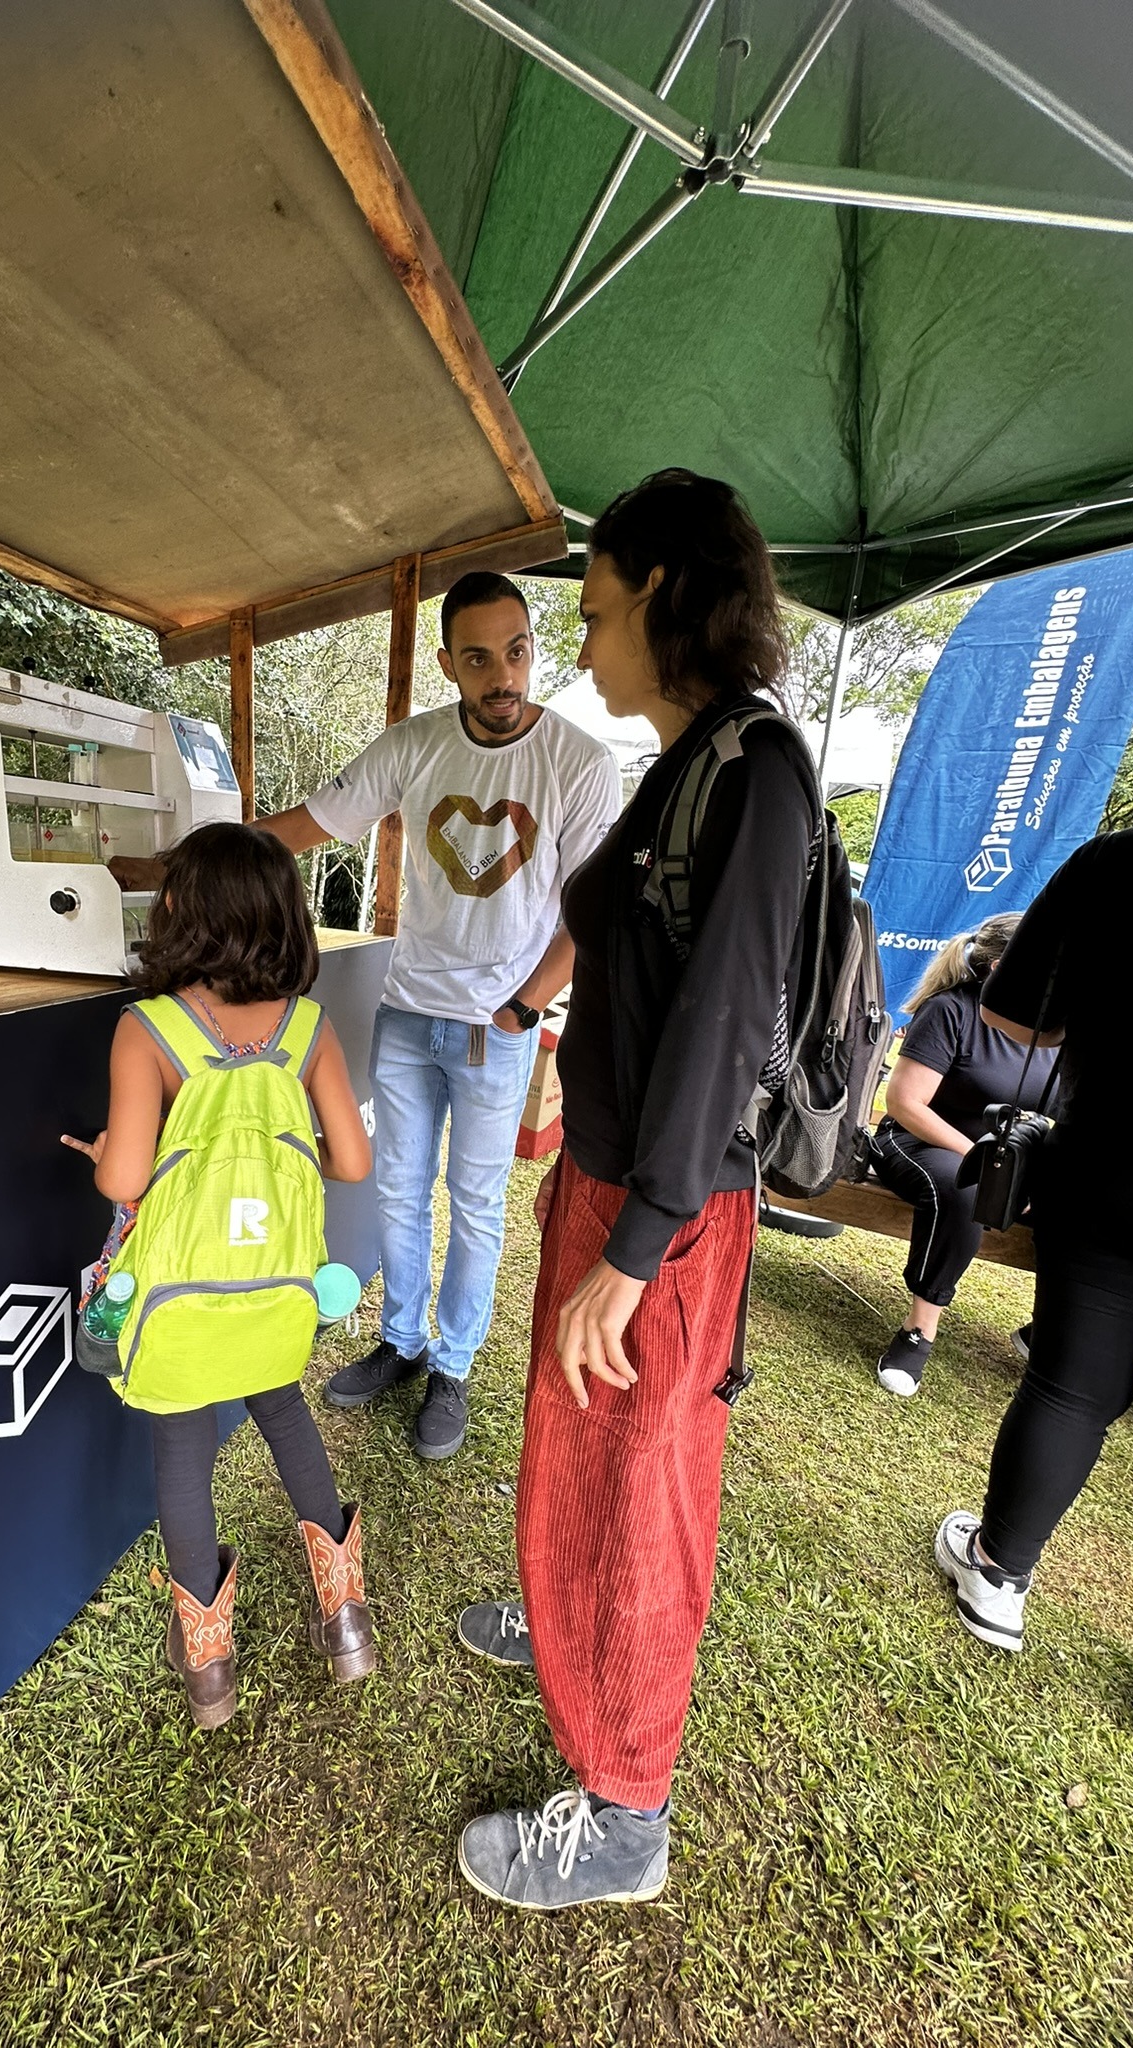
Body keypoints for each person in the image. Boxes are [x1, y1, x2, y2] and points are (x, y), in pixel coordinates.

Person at [453, 471, 817, 1908]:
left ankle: (625, 1808)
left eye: (596, 612)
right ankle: (563, 1628)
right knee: (573, 1438)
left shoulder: (759, 768)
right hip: (608, 1185)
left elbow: (727, 1020)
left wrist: (645, 1240)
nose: (581, 645)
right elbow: (643, 973)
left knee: (647, 1476)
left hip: (667, 1212)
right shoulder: (683, 757)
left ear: (665, 589)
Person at [258, 571, 621, 1461]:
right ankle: (403, 1340)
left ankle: (452, 1365)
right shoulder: (413, 745)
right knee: (397, 1190)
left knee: (476, 1202)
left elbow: (595, 909)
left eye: (518, 650)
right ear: (450, 664)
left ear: (533, 646)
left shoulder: (580, 762)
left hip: (497, 1028)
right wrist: (199, 851)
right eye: (479, 658)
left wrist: (522, 1009)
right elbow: (311, 822)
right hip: (407, 1013)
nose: (504, 675)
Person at [934, 738, 1133, 1774]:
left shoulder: (1120, 862)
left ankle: (998, 1577)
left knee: (1071, 1387)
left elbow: (1014, 1013)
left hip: (1114, 1163)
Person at [61, 823, 374, 1730]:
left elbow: (124, 1180)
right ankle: (344, 1615)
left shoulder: (146, 1029)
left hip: (179, 1301)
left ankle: (208, 1665)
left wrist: (116, 1151)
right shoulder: (310, 1028)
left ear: (180, 913)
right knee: (283, 1410)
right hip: (276, 1296)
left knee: (182, 1453)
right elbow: (349, 1161)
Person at [869, 915, 1055, 1396]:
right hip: (920, 1142)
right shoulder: (951, 1011)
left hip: (1002, 1159)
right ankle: (919, 1330)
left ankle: (1049, 1332)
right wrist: (989, 1166)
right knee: (965, 1188)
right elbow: (905, 1105)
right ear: (998, 969)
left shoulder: (1054, 1034)